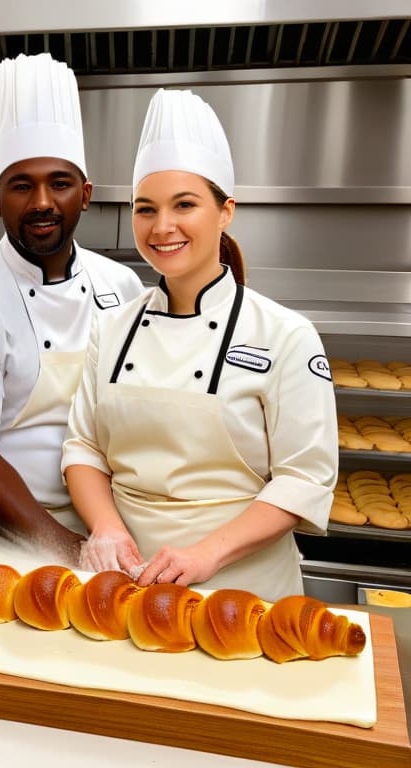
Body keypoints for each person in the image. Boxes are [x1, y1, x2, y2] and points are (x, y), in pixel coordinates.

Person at [61, 89, 337, 601]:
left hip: (243, 588)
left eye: (184, 205)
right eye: (146, 210)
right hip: (126, 580)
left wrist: (206, 554)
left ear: (226, 210)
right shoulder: (112, 328)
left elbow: (304, 478)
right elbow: (83, 447)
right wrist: (106, 528)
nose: (161, 227)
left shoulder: (286, 335)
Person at [0, 53, 143, 564]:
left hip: (119, 529)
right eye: (22, 186)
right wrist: (69, 551)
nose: (42, 201)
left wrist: (112, 533)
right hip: (13, 540)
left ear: (84, 195)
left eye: (59, 183)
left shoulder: (124, 286)